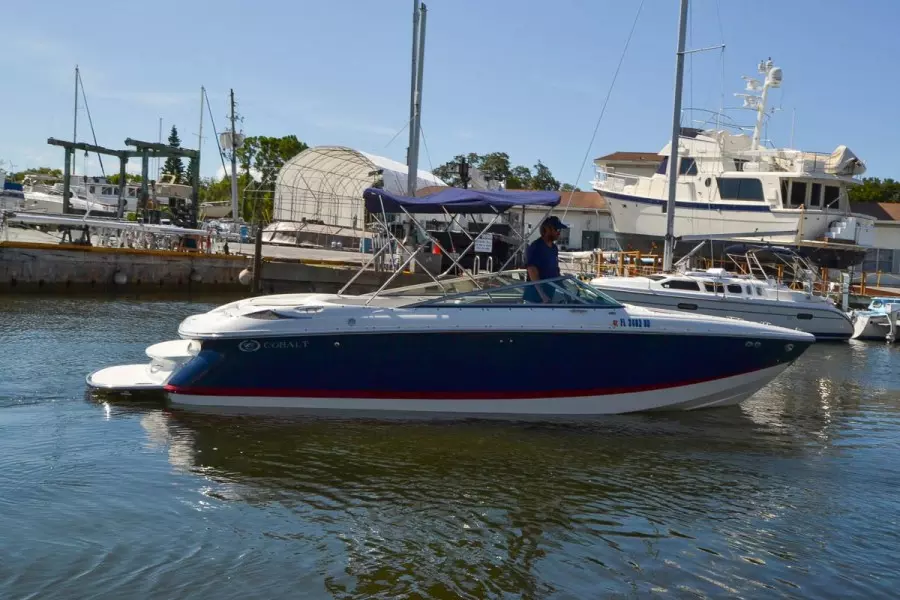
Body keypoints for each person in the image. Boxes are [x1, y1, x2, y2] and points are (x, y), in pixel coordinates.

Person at [523, 216, 568, 303]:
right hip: (535, 298)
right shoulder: (536, 247)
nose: (559, 233)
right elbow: (532, 271)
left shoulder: (554, 248)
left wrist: (565, 291)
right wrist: (543, 295)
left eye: (560, 230)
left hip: (550, 294)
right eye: (557, 230)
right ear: (548, 229)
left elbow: (556, 273)